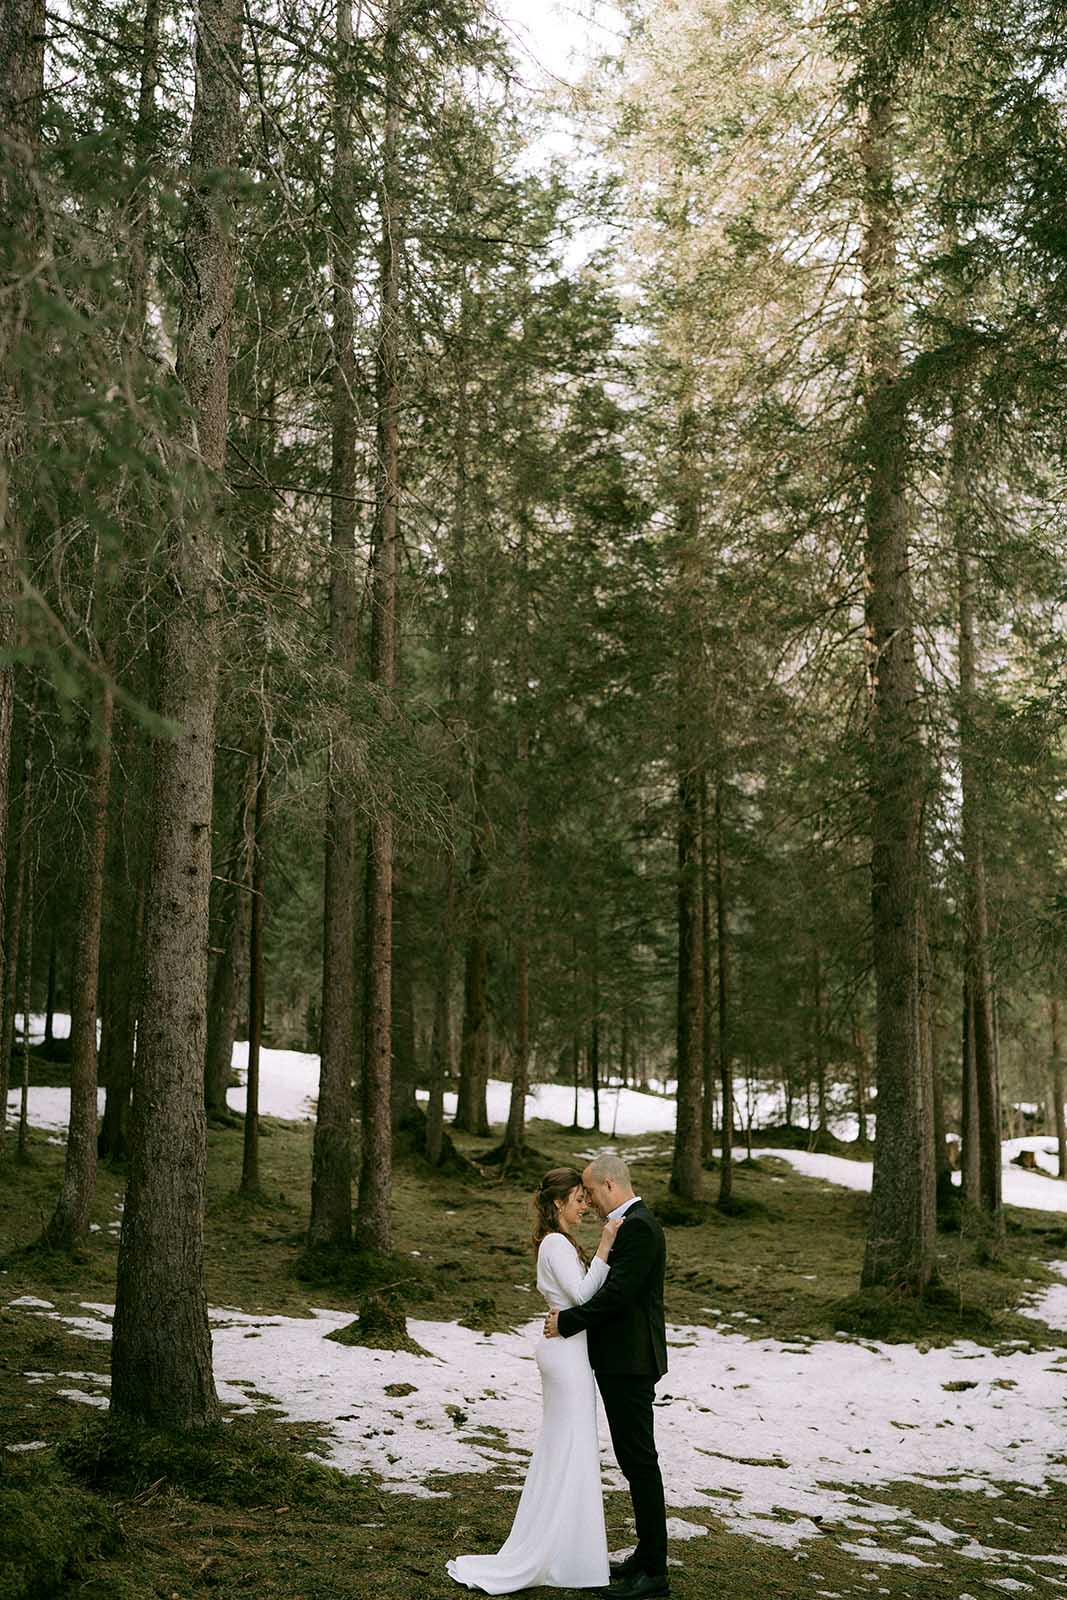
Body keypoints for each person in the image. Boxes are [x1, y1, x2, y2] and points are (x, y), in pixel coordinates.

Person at [447, 1166, 624, 1593]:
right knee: (569, 1445)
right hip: (565, 1355)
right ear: (558, 1203)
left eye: (586, 1198)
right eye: (579, 1199)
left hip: (569, 1349)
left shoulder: (559, 1243)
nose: (585, 1206)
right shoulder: (555, 1244)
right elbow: (582, 1297)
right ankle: (559, 1552)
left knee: (571, 1446)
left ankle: (571, 1549)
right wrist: (605, 1247)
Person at [544, 1153, 669, 1600]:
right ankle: (644, 1555)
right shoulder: (627, 1224)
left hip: (630, 1362)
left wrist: (569, 1321)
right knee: (634, 1461)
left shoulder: (639, 1226)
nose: (590, 1201)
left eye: (592, 1191)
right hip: (620, 1360)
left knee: (640, 1462)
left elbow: (617, 1295)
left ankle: (655, 1572)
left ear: (610, 1184)